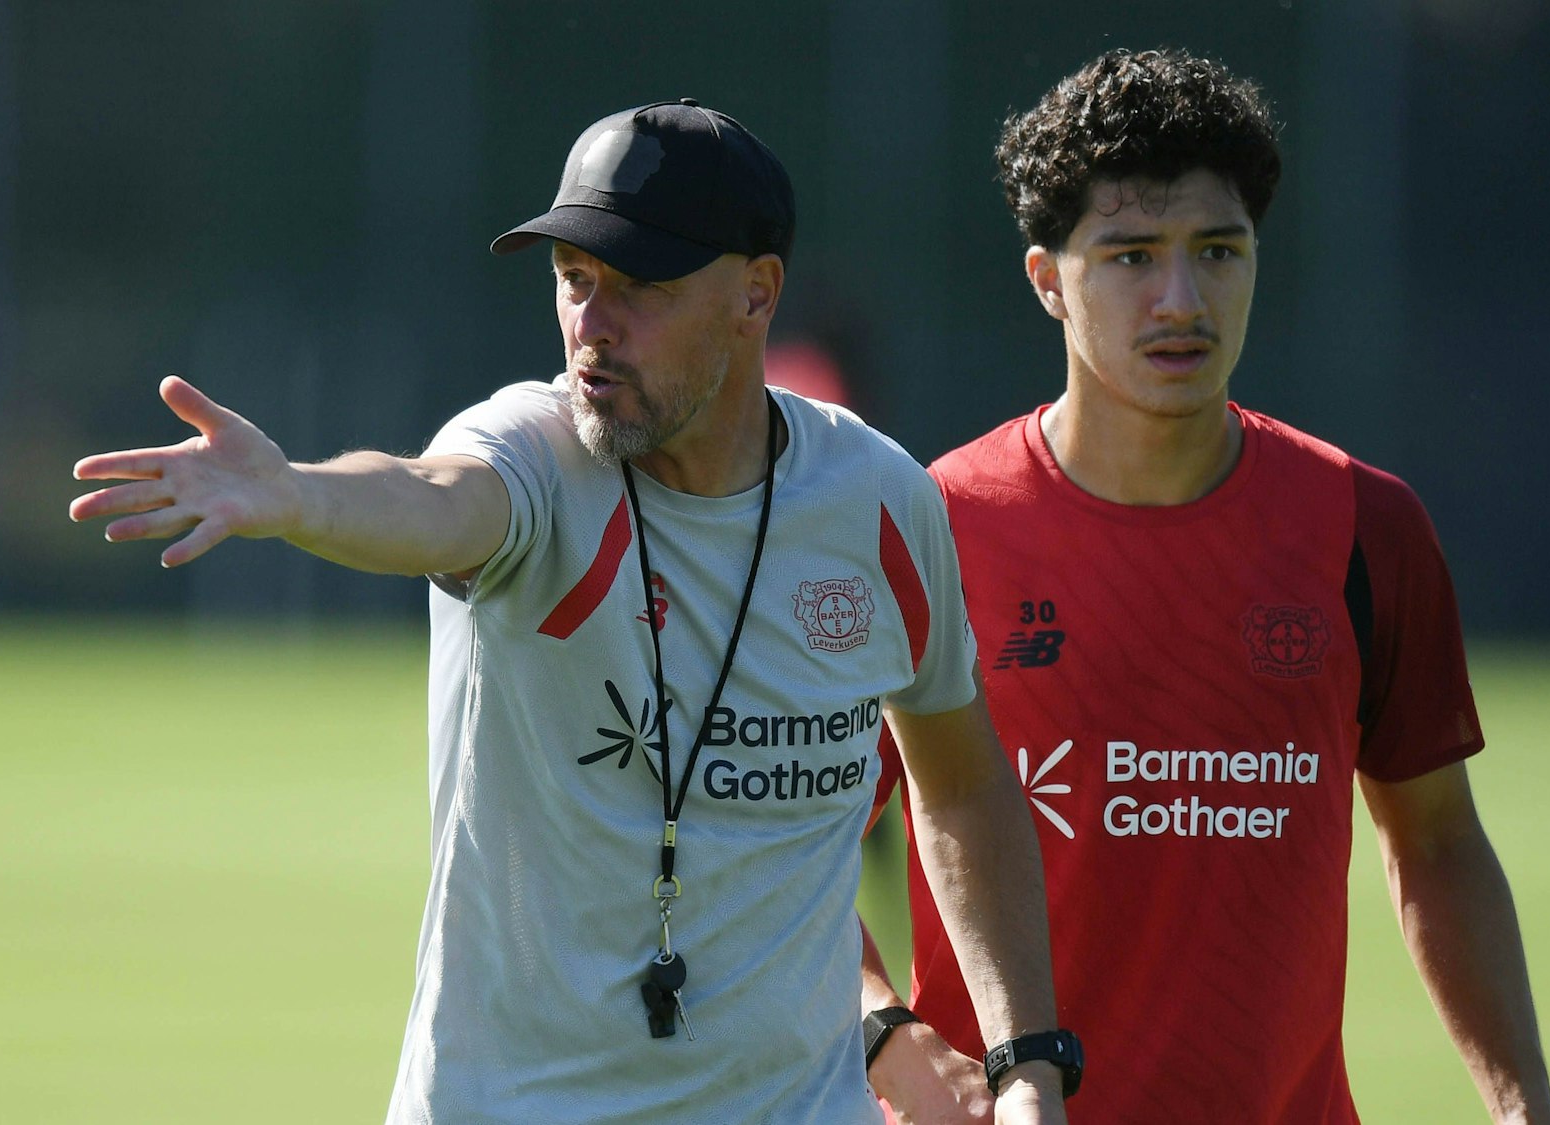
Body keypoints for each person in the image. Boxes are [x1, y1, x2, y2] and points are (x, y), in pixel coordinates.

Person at [70, 100, 1070, 1125]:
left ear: (755, 294)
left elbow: (960, 784)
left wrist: (1024, 1059)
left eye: (640, 287)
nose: (593, 324)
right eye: (574, 281)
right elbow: (431, 493)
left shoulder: (878, 501)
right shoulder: (536, 455)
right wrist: (298, 496)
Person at [862, 51, 1550, 1123]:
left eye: (1216, 252)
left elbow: (1435, 841)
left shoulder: (1363, 530)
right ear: (1047, 280)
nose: (1179, 300)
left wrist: (1521, 1108)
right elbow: (778, 856)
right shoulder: (927, 529)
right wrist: (883, 1032)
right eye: (1131, 255)